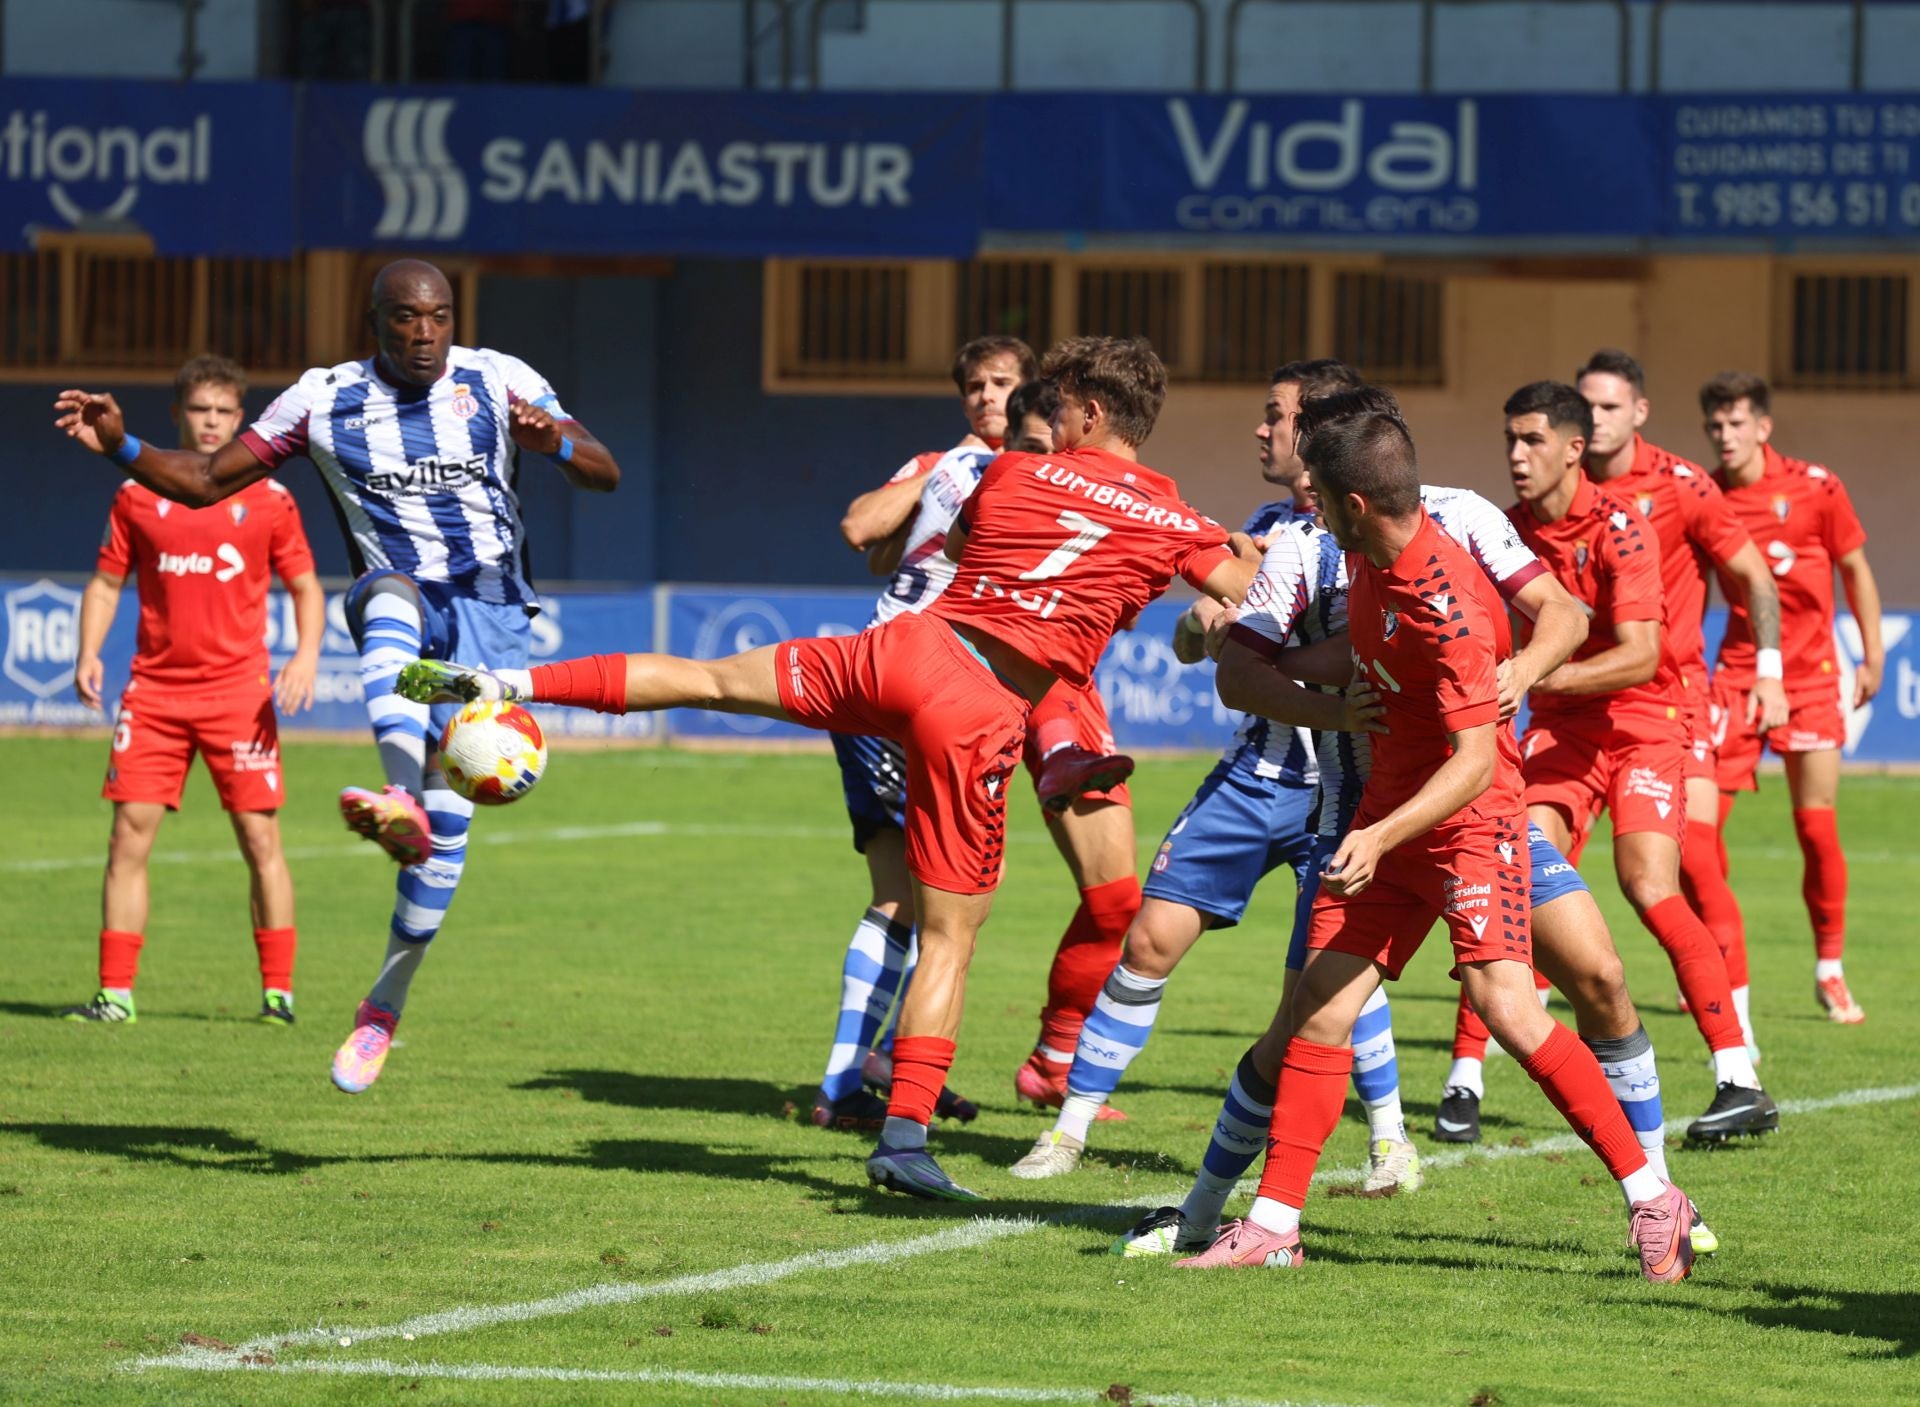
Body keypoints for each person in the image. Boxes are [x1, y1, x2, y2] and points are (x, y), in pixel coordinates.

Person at [397, 336, 1257, 1202]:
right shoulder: (1171, 518)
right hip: (979, 706)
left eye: (1059, 406)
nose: (1048, 419)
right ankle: (904, 1139)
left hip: (901, 652)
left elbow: (962, 543)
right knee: (949, 936)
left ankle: (508, 683)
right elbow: (1250, 590)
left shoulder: (1008, 471)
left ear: (1094, 411)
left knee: (710, 679)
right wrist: (1225, 564)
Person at [1119, 388, 1713, 1261]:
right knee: (1320, 1010)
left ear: (1355, 501)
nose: (1311, 510)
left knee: (1510, 1006)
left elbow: (1474, 761)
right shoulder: (1367, 559)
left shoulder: (1448, 601)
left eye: (1321, 495)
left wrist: (1380, 832)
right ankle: (1274, 1225)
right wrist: (1282, 663)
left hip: (1466, 826)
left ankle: (1655, 1196)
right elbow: (1351, 649)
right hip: (1387, 821)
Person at [55, 260, 621, 1092]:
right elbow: (206, 481)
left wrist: (556, 443)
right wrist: (120, 445)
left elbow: (604, 468)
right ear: (375, 323)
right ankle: (397, 794)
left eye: (439, 315)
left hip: (492, 620)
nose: (425, 332)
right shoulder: (323, 399)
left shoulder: (500, 379)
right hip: (399, 592)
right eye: (406, 318)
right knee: (386, 597)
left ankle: (381, 1009)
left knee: (441, 858)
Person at [1009, 359, 1395, 1185]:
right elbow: (1194, 640)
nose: (1262, 428)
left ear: (1317, 429)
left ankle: (1390, 1142)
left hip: (1347, 787)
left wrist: (1264, 641)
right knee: (1149, 938)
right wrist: (1203, 624)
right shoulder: (1256, 527)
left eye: (1276, 415)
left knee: (1338, 965)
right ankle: (1067, 1133)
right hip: (1256, 776)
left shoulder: (1372, 535)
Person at [809, 340, 1042, 1131]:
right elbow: (860, 529)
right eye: (974, 386)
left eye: (1002, 384)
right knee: (920, 898)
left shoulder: (1027, 471)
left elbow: (890, 551)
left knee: (944, 898)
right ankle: (851, 1081)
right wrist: (947, 466)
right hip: (906, 686)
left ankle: (893, 1062)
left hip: (940, 691)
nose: (986, 397)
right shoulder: (948, 465)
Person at [62, 356, 324, 1026]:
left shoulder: (269, 497)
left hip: (239, 696)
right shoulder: (136, 496)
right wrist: (88, 651)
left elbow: (305, 586)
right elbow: (105, 583)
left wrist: (306, 655)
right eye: (200, 410)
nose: (211, 422)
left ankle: (278, 995)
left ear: (242, 419)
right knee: (127, 838)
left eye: (224, 412)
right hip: (154, 695)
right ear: (178, 414)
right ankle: (115, 994)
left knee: (259, 840)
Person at [1574, 349, 1786, 1060]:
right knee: (1537, 857)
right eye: (1586, 405)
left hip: (1672, 702)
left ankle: (1738, 1031)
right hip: (1579, 707)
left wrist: (1769, 671)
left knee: (1692, 861)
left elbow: (1755, 577)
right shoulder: (1559, 484)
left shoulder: (1682, 484)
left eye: (1609, 405)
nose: (1596, 418)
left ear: (1639, 411)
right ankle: (1499, 1032)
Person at [1701, 371, 1882, 1023]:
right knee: (1700, 834)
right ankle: (1712, 956)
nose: (1725, 435)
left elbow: (1855, 568)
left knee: (1815, 826)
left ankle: (1830, 969)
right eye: (1715, 425)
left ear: (1763, 427)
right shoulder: (1706, 496)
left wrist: (1873, 653)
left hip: (1810, 677)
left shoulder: (1816, 486)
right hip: (1736, 677)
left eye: (1736, 423)